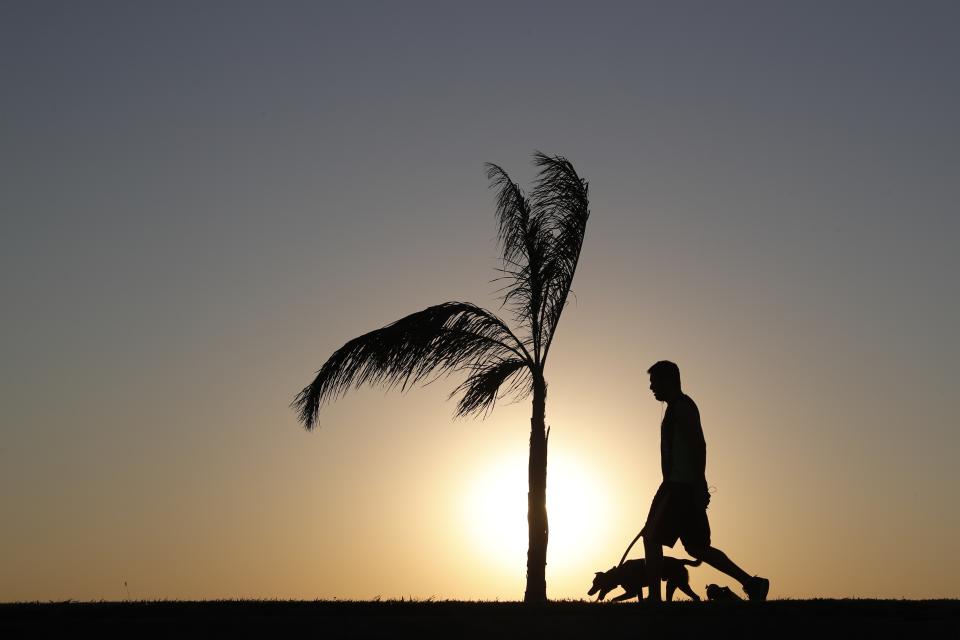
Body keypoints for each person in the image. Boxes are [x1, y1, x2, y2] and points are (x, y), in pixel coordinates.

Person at [640, 360, 769, 602]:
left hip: (678, 488)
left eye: (654, 382)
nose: (651, 388)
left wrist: (699, 484)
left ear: (668, 380)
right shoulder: (677, 408)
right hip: (682, 487)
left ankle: (655, 600)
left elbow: (699, 445)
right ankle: (752, 583)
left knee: (652, 537)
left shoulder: (683, 408)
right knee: (697, 548)